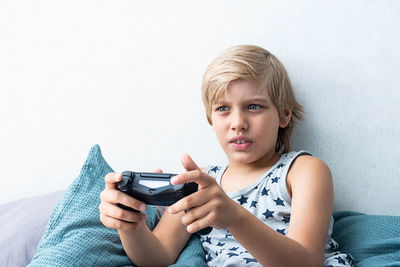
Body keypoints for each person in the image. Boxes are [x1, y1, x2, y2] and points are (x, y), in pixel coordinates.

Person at [99, 45, 354, 266]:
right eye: (223, 109)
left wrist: (235, 217)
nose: (238, 123)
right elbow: (158, 255)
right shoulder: (201, 183)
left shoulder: (304, 171)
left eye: (253, 106)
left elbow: (305, 263)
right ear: (211, 119)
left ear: (284, 115)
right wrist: (128, 224)